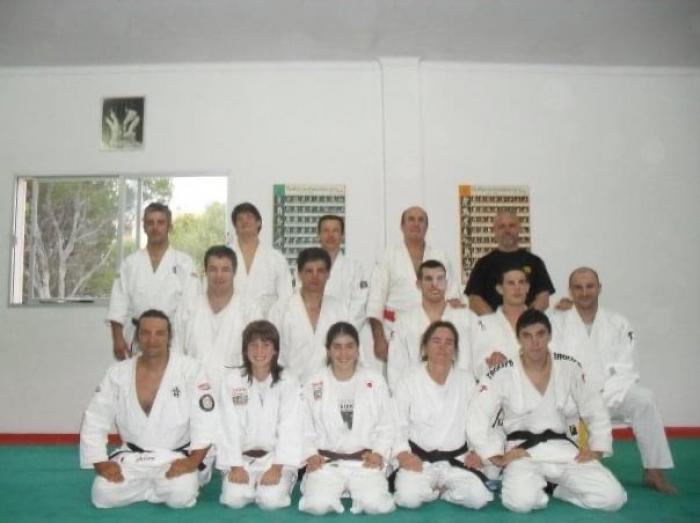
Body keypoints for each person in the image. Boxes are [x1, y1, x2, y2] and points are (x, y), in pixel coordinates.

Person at [467, 309, 627, 513]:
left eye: (540, 334)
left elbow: (594, 407)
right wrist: (495, 456)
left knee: (612, 498)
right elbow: (478, 415)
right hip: (522, 452)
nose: (535, 342)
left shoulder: (568, 366)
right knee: (520, 503)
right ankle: (546, 486)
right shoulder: (502, 372)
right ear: (519, 339)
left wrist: (597, 448)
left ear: (549, 335)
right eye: (527, 336)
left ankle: (556, 488)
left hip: (562, 448)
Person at [550, 267, 675, 494]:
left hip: (610, 395)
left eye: (590, 286)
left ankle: (654, 470)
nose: (584, 292)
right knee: (571, 468)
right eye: (578, 287)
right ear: (570, 291)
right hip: (572, 401)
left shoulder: (618, 323)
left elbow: (627, 369)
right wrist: (583, 397)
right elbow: (555, 366)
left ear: (599, 288)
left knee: (644, 400)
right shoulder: (556, 323)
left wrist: (598, 397)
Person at [80, 310, 217, 509]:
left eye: (160, 333)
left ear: (169, 337)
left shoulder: (191, 369)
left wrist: (192, 462)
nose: (152, 340)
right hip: (134, 458)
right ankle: (155, 488)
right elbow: (95, 417)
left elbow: (205, 418)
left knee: (180, 496)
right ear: (137, 336)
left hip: (176, 457)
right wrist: (100, 462)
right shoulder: (117, 373)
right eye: (145, 333)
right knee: (102, 495)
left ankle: (151, 487)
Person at [392, 321, 494, 510]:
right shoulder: (408, 379)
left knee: (479, 499)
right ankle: (434, 489)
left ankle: (443, 492)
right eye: (436, 341)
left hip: (456, 460)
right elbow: (398, 423)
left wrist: (476, 452)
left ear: (455, 349)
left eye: (449, 342)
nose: (442, 347)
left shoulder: (466, 380)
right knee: (408, 498)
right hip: (419, 460)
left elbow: (477, 422)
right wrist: (404, 454)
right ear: (425, 346)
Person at [299, 322, 395, 515]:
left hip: (364, 462)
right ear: (328, 350)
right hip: (327, 462)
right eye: (337, 347)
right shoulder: (314, 383)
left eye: (349, 346)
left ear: (358, 350)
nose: (343, 353)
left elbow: (387, 425)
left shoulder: (374, 381)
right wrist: (310, 454)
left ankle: (356, 489)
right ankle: (333, 489)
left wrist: (379, 453)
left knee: (376, 506)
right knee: (318, 506)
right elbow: (303, 426)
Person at [218, 320, 304, 510]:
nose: (259, 351)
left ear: (275, 350)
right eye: (253, 345)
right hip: (242, 459)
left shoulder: (289, 381)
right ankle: (248, 484)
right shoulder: (232, 381)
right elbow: (228, 424)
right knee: (234, 500)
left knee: (270, 501)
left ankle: (273, 484)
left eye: (266, 345)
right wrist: (235, 466)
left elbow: (291, 426)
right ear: (245, 349)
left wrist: (277, 468)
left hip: (275, 459)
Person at [367, 206, 462, 362]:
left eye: (421, 220)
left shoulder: (439, 255)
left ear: (427, 227)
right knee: (399, 374)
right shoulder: (388, 256)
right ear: (402, 226)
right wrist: (378, 339)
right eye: (411, 219)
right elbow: (375, 301)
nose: (416, 224)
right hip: (398, 331)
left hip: (436, 332)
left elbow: (453, 296)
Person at [107, 202, 200, 360]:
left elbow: (192, 306)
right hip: (139, 337)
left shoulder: (184, 263)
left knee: (171, 375)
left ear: (169, 226)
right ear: (144, 227)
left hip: (174, 337)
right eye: (150, 223)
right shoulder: (130, 263)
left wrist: (188, 341)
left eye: (160, 222)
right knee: (138, 374)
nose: (155, 227)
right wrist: (117, 338)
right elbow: (118, 302)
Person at [176, 245, 262, 388]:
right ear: (205, 272)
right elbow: (176, 353)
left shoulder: (249, 310)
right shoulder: (188, 307)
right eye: (213, 269)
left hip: (237, 391)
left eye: (225, 269)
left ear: (234, 272)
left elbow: (258, 356)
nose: (219, 275)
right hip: (193, 389)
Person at [387, 260, 479, 389]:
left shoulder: (467, 318)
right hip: (418, 394)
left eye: (440, 279)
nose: (434, 285)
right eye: (428, 279)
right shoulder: (404, 322)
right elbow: (395, 370)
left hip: (460, 393)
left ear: (446, 283)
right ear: (418, 284)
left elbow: (482, 360)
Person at [269, 248, 349, 383]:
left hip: (329, 386)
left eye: (320, 271)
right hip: (289, 385)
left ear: (328, 274)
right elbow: (270, 352)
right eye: (309, 271)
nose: (315, 277)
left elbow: (352, 351)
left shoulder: (339, 309)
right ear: (299, 274)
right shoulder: (281, 309)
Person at [464, 209, 554, 315]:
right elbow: (474, 300)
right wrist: (496, 321)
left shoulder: (535, 262)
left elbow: (543, 297)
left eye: (511, 225)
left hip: (528, 324)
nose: (507, 230)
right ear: (494, 231)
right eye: (501, 226)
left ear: (519, 229)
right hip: (493, 323)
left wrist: (527, 320)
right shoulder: (483, 264)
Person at [231, 202, 293, 317]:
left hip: (267, 322)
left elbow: (286, 297)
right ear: (235, 227)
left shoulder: (276, 258)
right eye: (240, 219)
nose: (245, 222)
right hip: (232, 321)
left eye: (249, 217)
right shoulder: (225, 257)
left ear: (258, 222)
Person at [472, 265, 530, 378]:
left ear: (527, 287)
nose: (517, 288)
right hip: (498, 386)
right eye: (511, 283)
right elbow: (477, 367)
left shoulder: (542, 323)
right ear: (500, 289)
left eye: (521, 282)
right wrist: (491, 365)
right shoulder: (483, 324)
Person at [317, 215, 369, 332]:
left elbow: (360, 304)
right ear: (319, 235)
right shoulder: (307, 267)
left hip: (345, 332)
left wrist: (344, 333)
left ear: (342, 235)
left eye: (335, 231)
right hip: (313, 333)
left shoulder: (355, 267)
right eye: (326, 231)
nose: (330, 235)